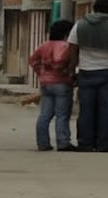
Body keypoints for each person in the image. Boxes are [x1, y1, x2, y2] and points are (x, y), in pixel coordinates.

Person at [68, 0, 108, 153]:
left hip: (85, 72)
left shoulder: (80, 25)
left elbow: (72, 49)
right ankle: (104, 144)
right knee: (106, 110)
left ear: (94, 8)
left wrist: (71, 71)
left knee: (86, 110)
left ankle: (85, 143)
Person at [30, 19, 76, 151]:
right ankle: (63, 142)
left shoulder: (44, 45)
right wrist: (65, 71)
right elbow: (59, 60)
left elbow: (33, 60)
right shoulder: (65, 46)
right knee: (62, 114)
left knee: (45, 114)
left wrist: (41, 73)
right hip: (61, 82)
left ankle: (43, 143)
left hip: (46, 83)